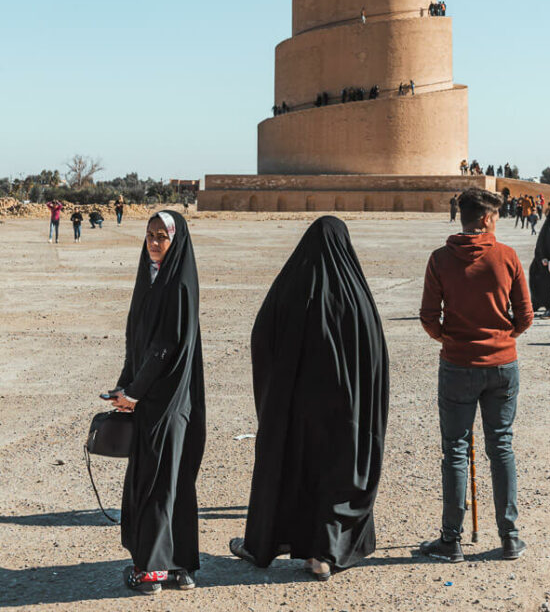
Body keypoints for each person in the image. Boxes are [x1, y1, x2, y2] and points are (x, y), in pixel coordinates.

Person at [230, 217, 389, 580]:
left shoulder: (292, 287)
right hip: (346, 411)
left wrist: (276, 392)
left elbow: (263, 338)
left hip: (296, 410)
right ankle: (323, 555)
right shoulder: (356, 294)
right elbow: (375, 357)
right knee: (338, 471)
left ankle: (267, 543)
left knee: (291, 468)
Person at [418, 187, 532, 563]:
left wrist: (450, 339)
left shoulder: (439, 259)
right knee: (500, 447)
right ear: (485, 219)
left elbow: (428, 318)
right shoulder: (507, 256)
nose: (497, 223)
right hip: (502, 366)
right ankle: (510, 536)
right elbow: (526, 317)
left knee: (455, 449)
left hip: (458, 366)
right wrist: (502, 339)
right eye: (496, 217)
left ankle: (451, 540)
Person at [104, 211, 206, 594]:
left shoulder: (177, 283)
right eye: (149, 235)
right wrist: (124, 386)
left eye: (161, 236)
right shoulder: (150, 278)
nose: (153, 242)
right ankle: (178, 567)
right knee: (166, 479)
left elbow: (165, 348)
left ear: (175, 239)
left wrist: (134, 392)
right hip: (149, 397)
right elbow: (139, 342)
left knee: (160, 481)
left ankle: (152, 570)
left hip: (169, 401)